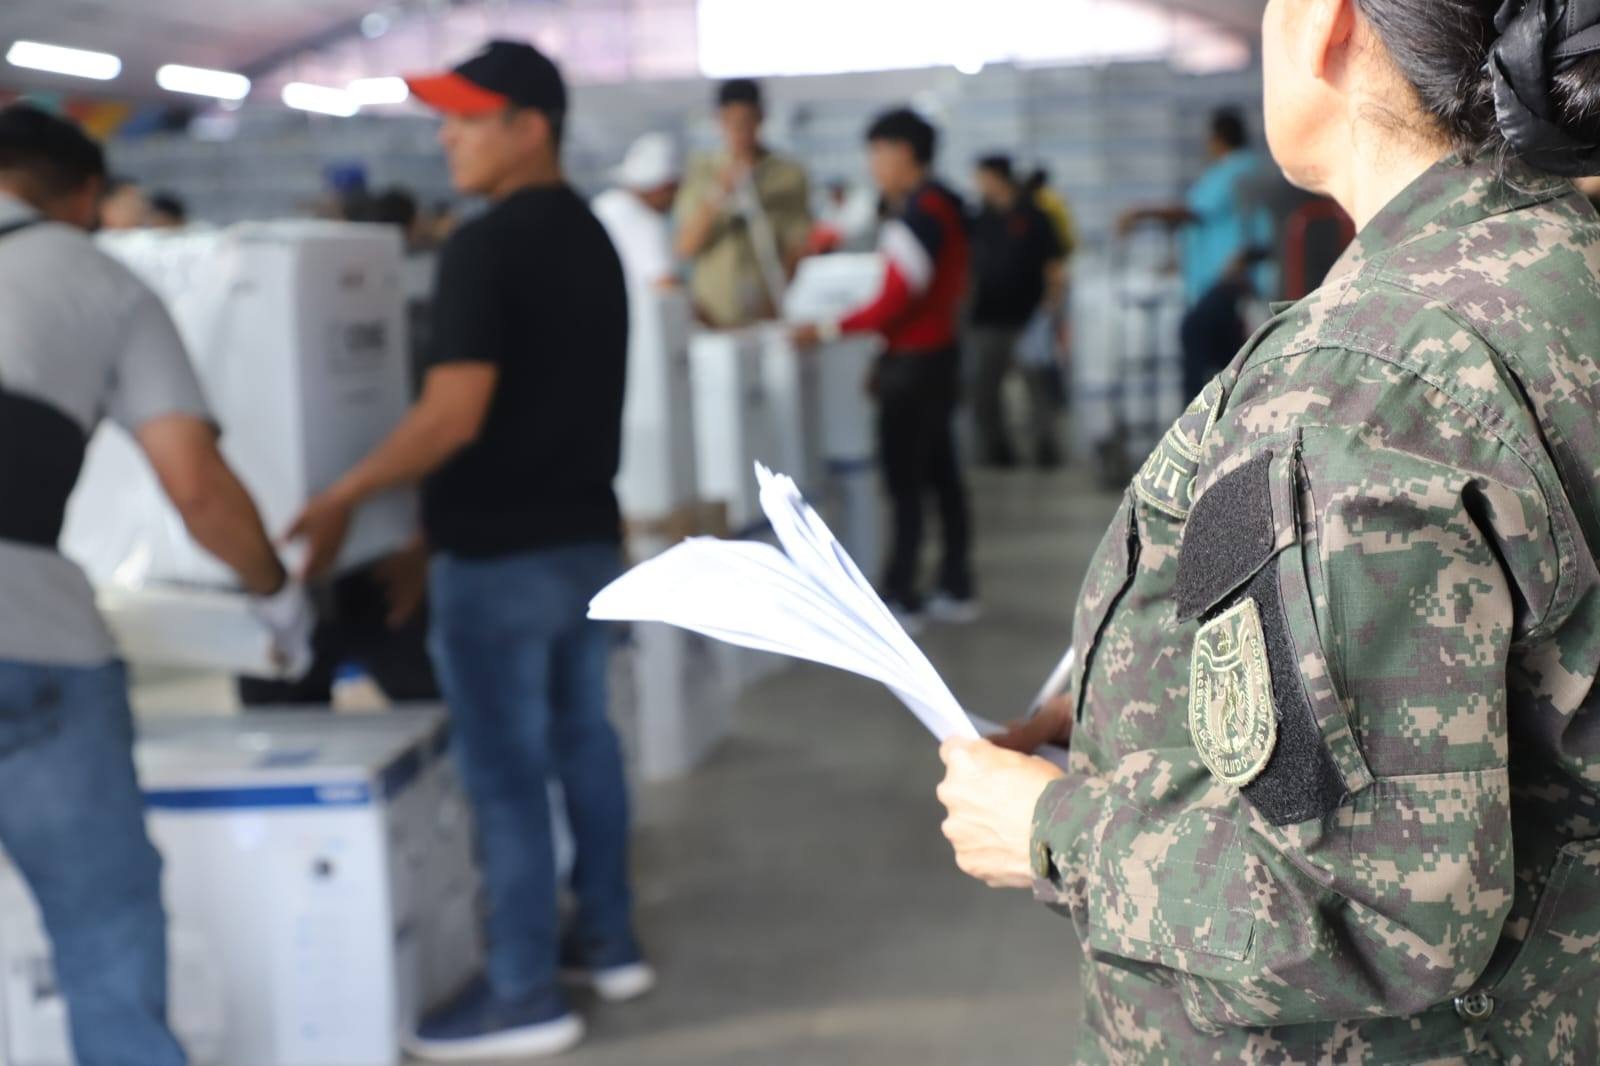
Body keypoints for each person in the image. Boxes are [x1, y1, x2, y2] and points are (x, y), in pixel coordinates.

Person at [936, 0, 1600, 1062]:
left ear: (1323, 20)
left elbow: (1377, 908)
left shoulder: (1363, 375)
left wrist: (1050, 831)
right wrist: (1139, 699)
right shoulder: (1553, 267)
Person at [286, 40, 651, 1060]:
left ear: (529, 126)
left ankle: (525, 989)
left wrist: (345, 495)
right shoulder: (592, 237)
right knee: (586, 746)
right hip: (586, 544)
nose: (445, 136)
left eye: (465, 118)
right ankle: (609, 939)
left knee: (502, 774)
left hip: (499, 562)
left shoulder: (483, 249)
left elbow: (454, 415)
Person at [0, 104, 309, 1066]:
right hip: (25, 635)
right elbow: (196, 486)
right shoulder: (99, 279)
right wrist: (277, 595)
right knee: (103, 931)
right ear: (86, 196)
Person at [793, 108, 975, 625]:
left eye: (876, 153)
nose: (872, 165)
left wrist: (829, 328)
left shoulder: (922, 213)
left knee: (907, 480)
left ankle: (902, 592)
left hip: (916, 362)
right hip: (931, 358)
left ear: (901, 151)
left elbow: (897, 296)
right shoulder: (939, 207)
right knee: (939, 474)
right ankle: (954, 583)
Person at [1120, 107, 1275, 402]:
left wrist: (1139, 213)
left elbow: (1193, 212)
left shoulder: (1232, 172)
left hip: (1232, 281)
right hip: (1241, 281)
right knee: (1229, 357)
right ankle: (1229, 416)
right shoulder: (1256, 169)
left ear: (1217, 140)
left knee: (1196, 331)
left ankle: (1193, 427)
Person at [674, 78, 811, 326]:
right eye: (731, 122)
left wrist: (776, 300)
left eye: (747, 121)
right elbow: (686, 247)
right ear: (719, 120)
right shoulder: (702, 171)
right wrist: (719, 193)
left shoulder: (788, 175)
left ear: (761, 118)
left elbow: (797, 247)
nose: (739, 131)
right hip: (712, 314)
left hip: (766, 309)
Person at [968, 154, 1068, 468]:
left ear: (997, 177)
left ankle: (1045, 447)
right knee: (985, 389)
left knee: (1037, 386)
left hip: (1028, 317)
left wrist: (1051, 306)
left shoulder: (1034, 215)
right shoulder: (980, 219)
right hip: (988, 318)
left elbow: (1053, 263)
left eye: (982, 177)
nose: (979, 185)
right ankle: (997, 450)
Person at [592, 131, 681, 290]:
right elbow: (666, 284)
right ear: (662, 187)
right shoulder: (646, 221)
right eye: (674, 188)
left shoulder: (602, 206)